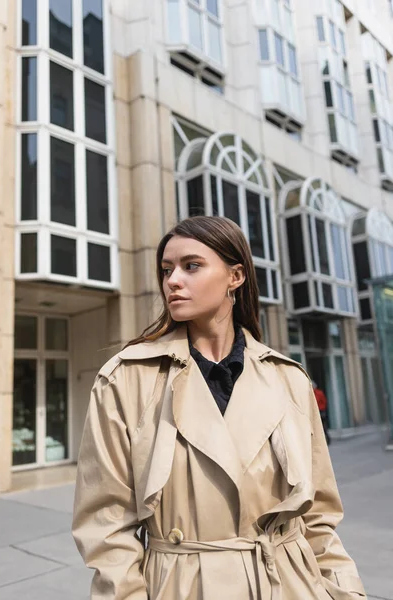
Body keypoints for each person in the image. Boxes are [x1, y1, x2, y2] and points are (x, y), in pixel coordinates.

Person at [72, 216, 366, 599]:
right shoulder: (126, 378)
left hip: (291, 583)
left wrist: (346, 591)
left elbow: (320, 518)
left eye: (191, 266)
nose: (172, 281)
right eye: (166, 270)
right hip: (182, 584)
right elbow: (105, 525)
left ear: (235, 276)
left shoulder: (288, 378)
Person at [312, 380, 331, 446]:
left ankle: (327, 439)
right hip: (315, 412)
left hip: (321, 411)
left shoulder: (319, 393)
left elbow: (324, 401)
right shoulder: (310, 394)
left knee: (323, 426)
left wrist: (322, 408)